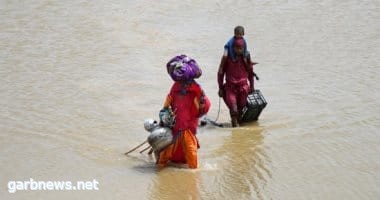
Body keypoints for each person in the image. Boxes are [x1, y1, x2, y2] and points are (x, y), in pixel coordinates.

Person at [157, 55, 210, 169]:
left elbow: (204, 109)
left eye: (186, 84)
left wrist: (201, 99)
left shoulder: (196, 90)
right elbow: (165, 108)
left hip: (188, 130)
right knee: (164, 156)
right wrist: (164, 116)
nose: (184, 86)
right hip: (175, 129)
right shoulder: (175, 88)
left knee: (191, 155)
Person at [217, 26, 257, 127]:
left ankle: (237, 133)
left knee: (241, 108)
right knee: (233, 109)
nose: (239, 50)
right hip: (231, 87)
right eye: (237, 48)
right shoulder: (228, 58)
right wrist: (220, 87)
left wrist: (252, 86)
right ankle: (235, 126)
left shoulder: (246, 57)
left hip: (243, 87)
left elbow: (250, 71)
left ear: (244, 48)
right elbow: (220, 72)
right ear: (233, 48)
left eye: (241, 48)